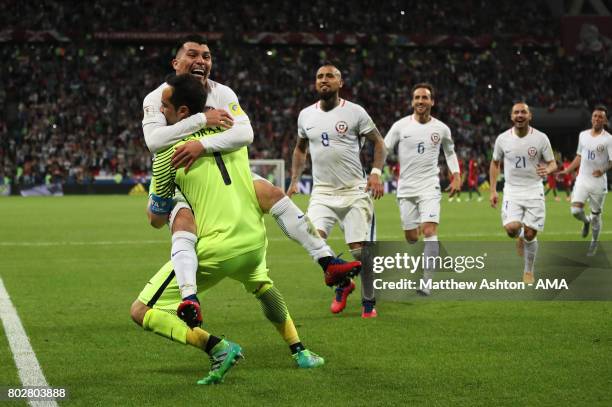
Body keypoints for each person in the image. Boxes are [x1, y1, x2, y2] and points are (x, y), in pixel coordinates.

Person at [141, 36, 359, 323]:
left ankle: (327, 261)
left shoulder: (223, 93)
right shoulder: (158, 98)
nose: (201, 61)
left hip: (223, 167)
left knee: (271, 193)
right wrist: (202, 122)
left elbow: (245, 134)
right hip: (183, 174)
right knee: (183, 222)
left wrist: (203, 145)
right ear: (176, 62)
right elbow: (154, 141)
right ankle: (189, 297)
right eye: (192, 54)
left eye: (206, 56)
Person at [132, 74, 324, 385]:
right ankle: (300, 350)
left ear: (181, 111)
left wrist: (163, 203)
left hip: (215, 248)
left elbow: (156, 218)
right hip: (252, 238)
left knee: (141, 310)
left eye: (164, 106)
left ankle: (217, 347)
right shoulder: (229, 128)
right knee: (262, 286)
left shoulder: (168, 153)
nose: (159, 111)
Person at [287, 63, 386, 318]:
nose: (324, 80)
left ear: (340, 83)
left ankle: (368, 303)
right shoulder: (306, 115)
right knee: (313, 239)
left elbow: (379, 143)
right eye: (319, 76)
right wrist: (294, 179)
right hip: (322, 192)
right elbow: (300, 149)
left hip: (354, 191)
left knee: (358, 251)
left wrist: (375, 173)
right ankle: (343, 283)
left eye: (330, 76)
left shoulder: (355, 112)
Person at [384, 82, 461, 296]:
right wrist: (374, 172)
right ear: (412, 101)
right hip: (406, 188)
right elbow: (384, 147)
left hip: (430, 185)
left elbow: (450, 152)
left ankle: (427, 282)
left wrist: (456, 175)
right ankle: (428, 252)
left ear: (432, 101)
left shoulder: (442, 128)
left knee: (429, 230)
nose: (420, 101)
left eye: (425, 97)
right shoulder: (400, 126)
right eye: (417, 97)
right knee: (411, 237)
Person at [489, 102, 557, 283]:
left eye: (523, 112)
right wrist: (493, 190)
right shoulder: (503, 139)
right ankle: (518, 236)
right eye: (516, 112)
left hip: (534, 189)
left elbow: (552, 163)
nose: (519, 115)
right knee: (512, 229)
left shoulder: (541, 138)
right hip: (512, 190)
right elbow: (495, 163)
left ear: (529, 116)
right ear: (511, 117)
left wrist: (548, 170)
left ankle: (528, 271)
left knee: (530, 234)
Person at [559, 105, 612, 255]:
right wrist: (567, 171)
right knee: (576, 211)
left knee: (596, 216)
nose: (597, 119)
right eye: (595, 116)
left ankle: (594, 243)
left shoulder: (609, 139)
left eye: (600, 117)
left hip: (598, 182)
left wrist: (602, 170)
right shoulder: (583, 135)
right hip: (583, 178)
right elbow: (579, 156)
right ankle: (585, 221)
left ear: (605, 120)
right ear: (591, 118)